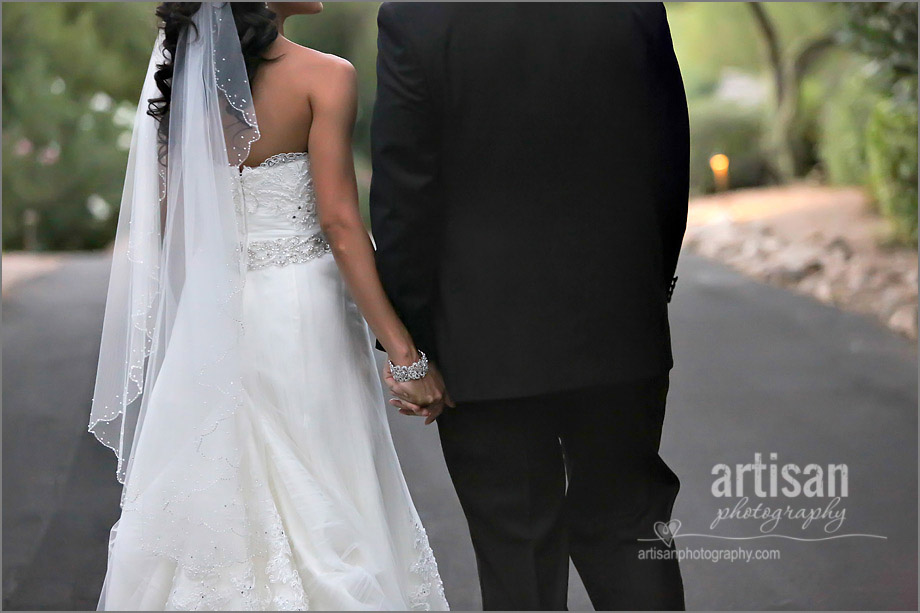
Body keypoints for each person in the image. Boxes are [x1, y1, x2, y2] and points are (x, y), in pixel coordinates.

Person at [89, 2, 449, 609]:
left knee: (222, 486)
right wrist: (407, 356)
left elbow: (172, 225)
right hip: (302, 313)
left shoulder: (180, 83)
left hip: (214, 314)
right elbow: (339, 224)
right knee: (327, 486)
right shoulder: (325, 76)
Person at [371, 2, 689, 610]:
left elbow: (404, 192)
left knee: (518, 553)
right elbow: (670, 151)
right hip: (620, 323)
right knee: (629, 527)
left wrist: (410, 341)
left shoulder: (418, 19)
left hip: (482, 341)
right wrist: (651, 284)